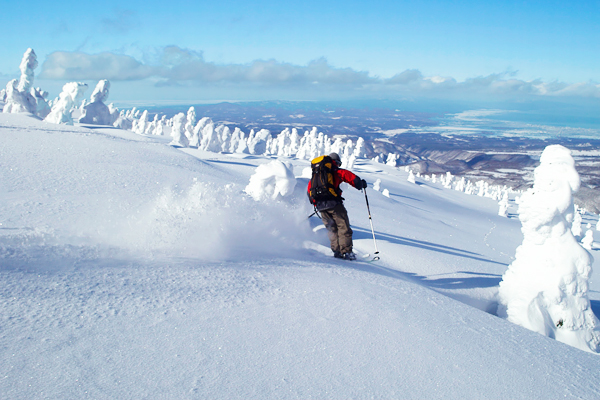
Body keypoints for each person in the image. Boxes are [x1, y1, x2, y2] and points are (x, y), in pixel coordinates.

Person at [307, 152, 367, 260]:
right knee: (343, 228)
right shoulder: (336, 171)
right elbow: (352, 179)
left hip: (321, 207)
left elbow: (309, 192)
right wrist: (361, 184)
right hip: (334, 204)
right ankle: (347, 252)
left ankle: (337, 252)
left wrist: (317, 203)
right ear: (336, 162)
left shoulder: (316, 175)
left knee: (332, 229)